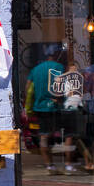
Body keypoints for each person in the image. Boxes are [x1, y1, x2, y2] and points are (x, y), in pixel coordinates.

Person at [28, 45, 66, 173]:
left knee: (44, 136)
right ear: (56, 54)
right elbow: (61, 88)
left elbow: (28, 89)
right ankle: (63, 164)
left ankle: (49, 164)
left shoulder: (36, 69)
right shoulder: (59, 67)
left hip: (39, 107)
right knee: (67, 135)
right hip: (54, 107)